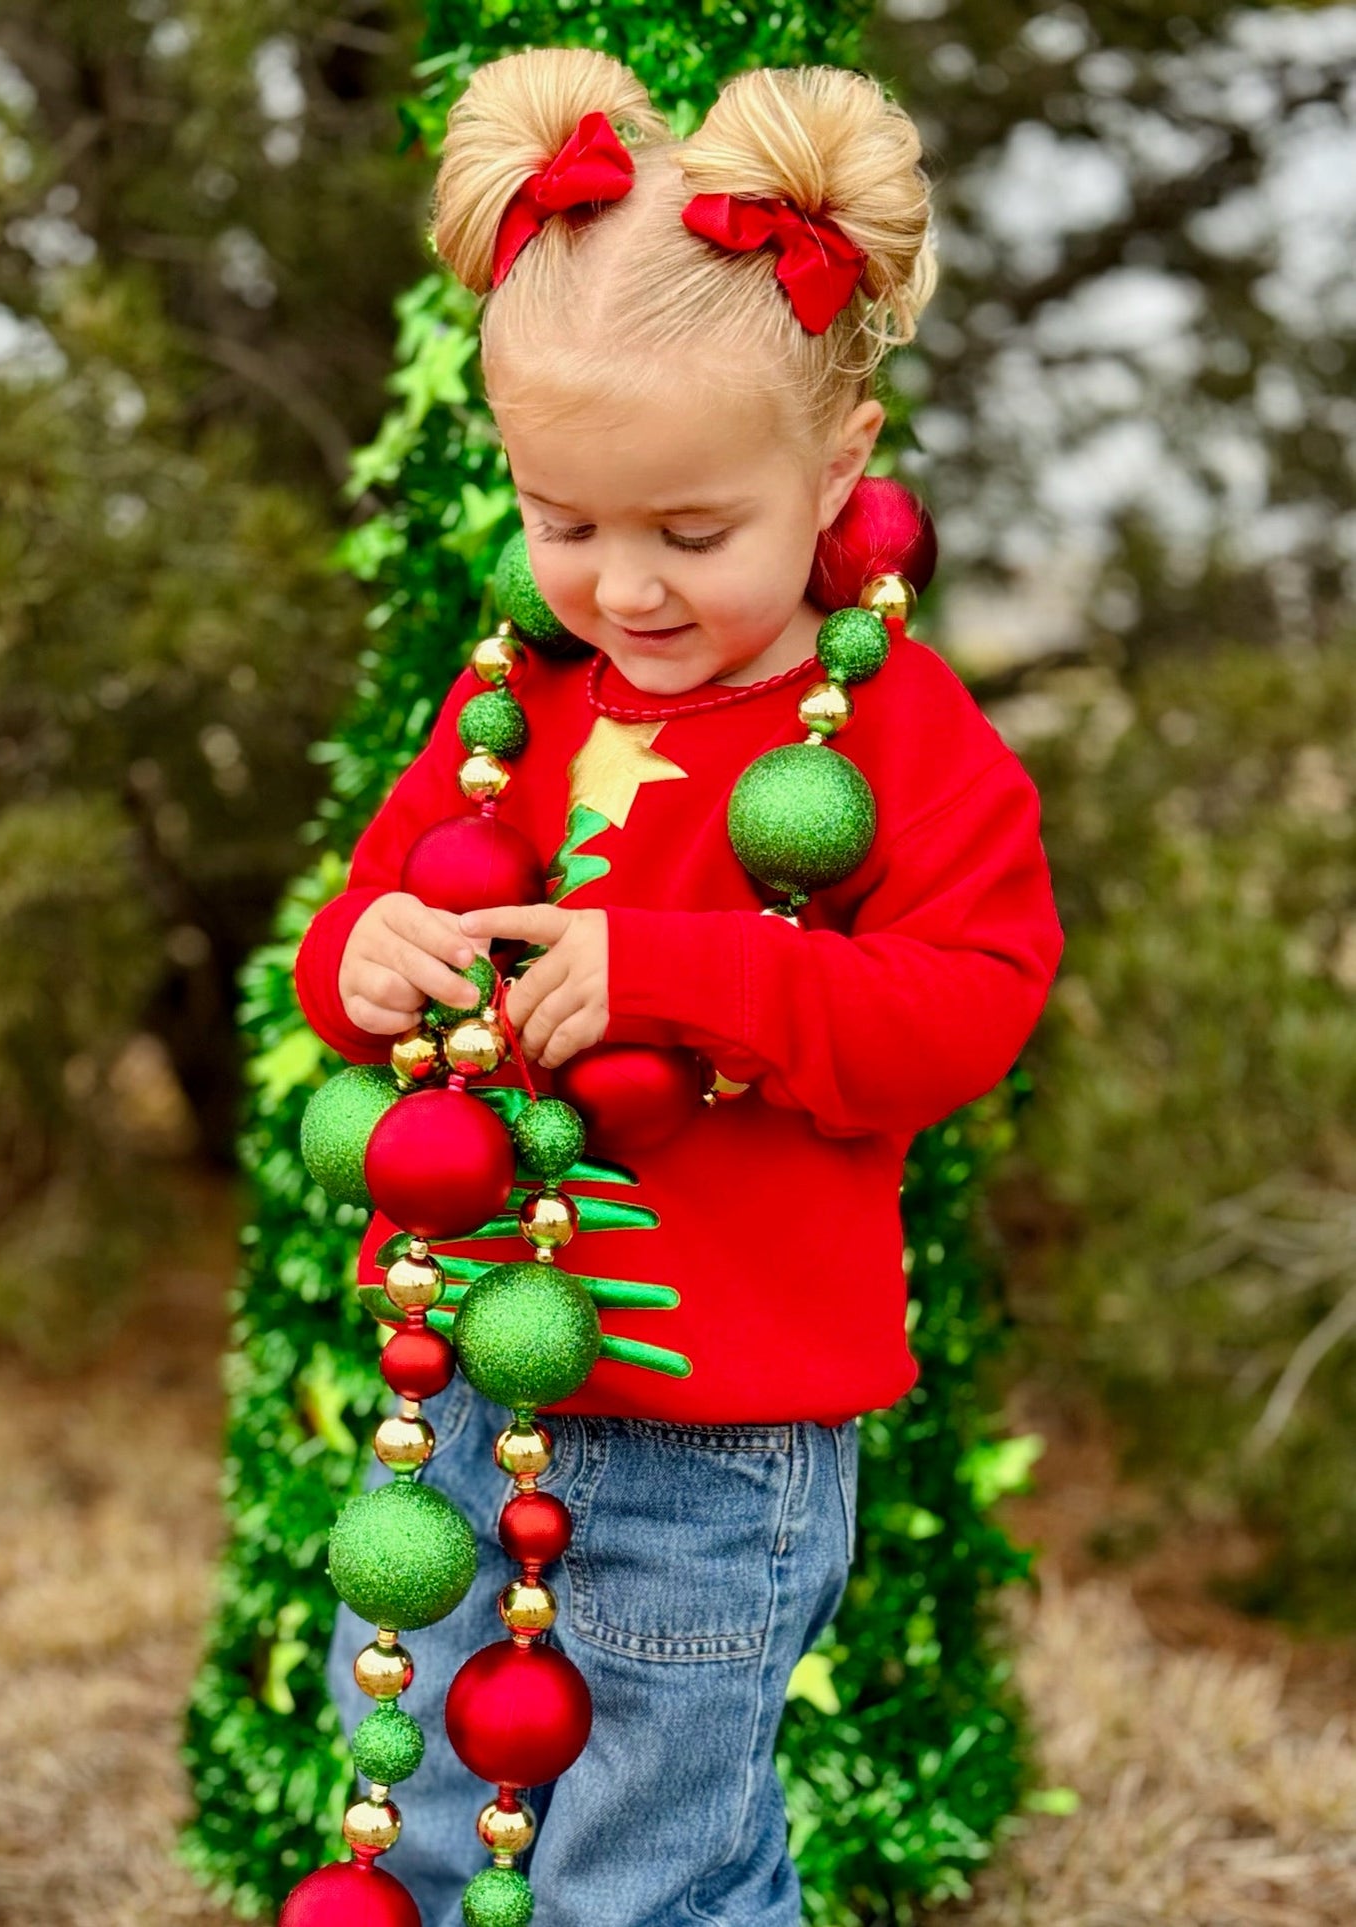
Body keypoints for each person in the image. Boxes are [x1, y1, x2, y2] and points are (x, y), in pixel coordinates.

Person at [292, 46, 1063, 1927]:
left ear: (840, 466)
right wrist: (362, 961)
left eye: (689, 533)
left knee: (650, 1860)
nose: (620, 587)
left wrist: (677, 972)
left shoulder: (898, 738)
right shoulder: (512, 707)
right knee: (408, 1799)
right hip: (464, 1376)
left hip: (717, 1434)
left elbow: (965, 1003)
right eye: (563, 521)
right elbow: (355, 935)